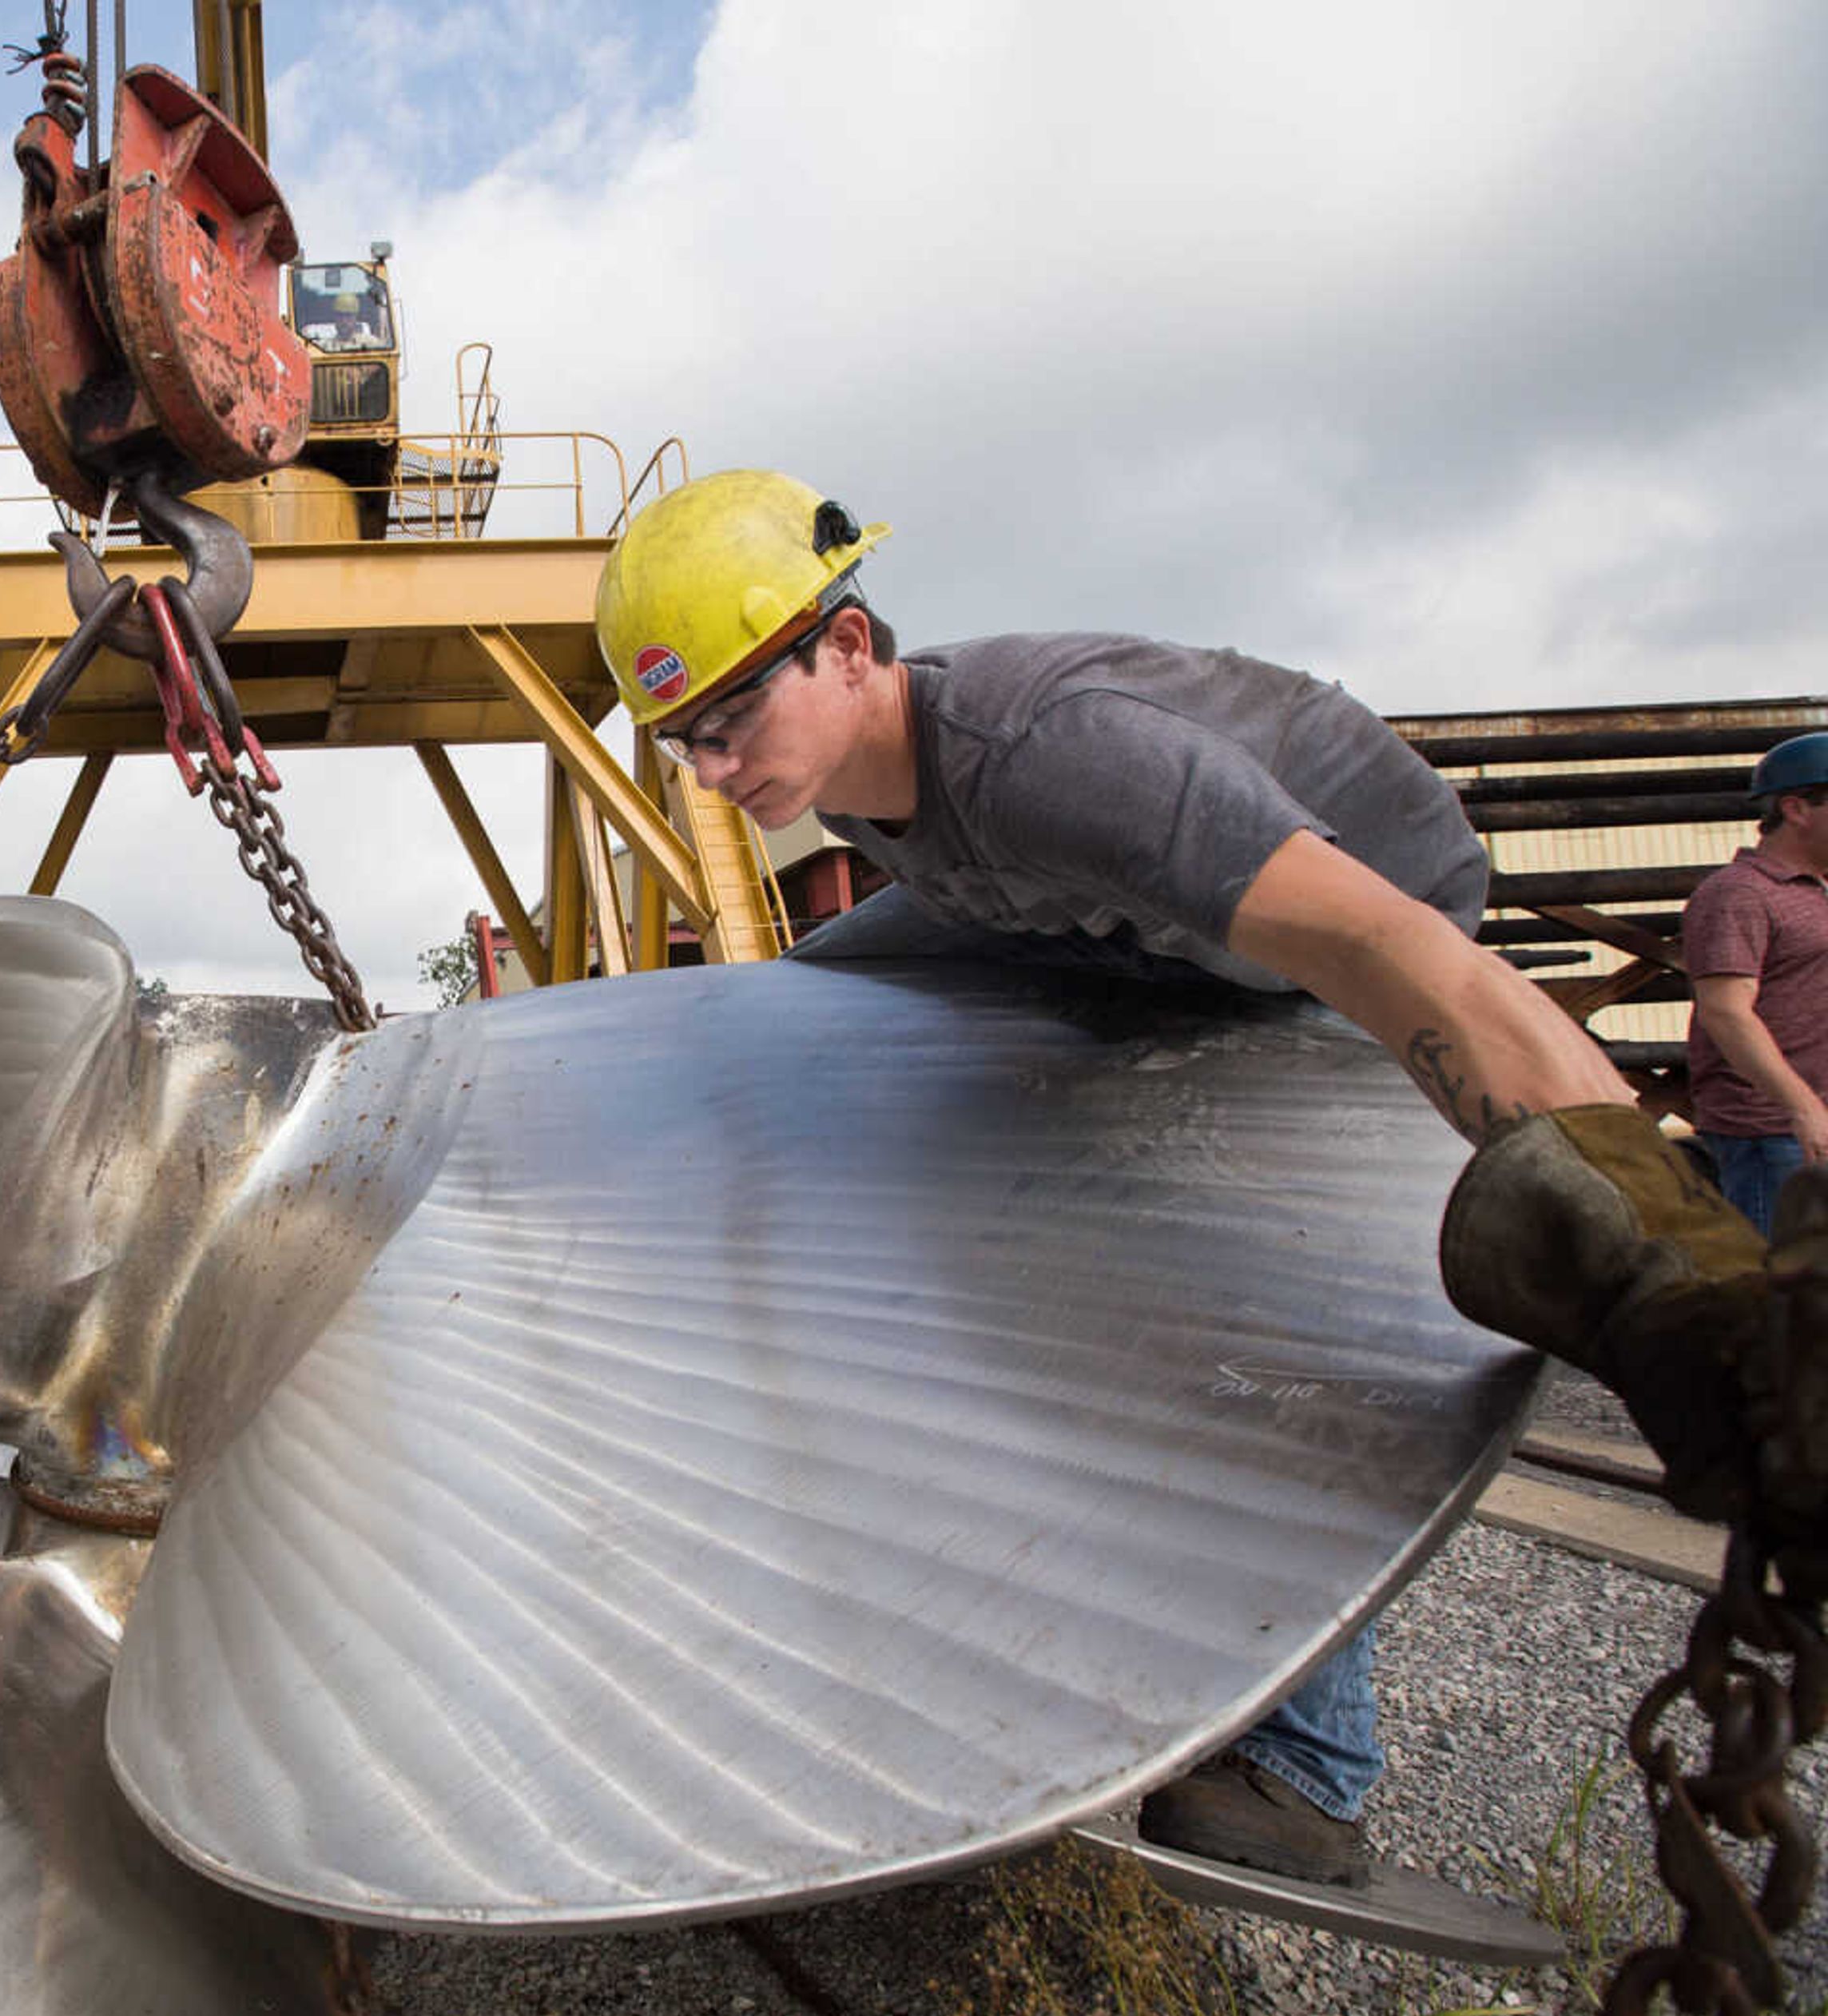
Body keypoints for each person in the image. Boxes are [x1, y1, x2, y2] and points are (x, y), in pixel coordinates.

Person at [596, 468, 1798, 1886]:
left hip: (1329, 920)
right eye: (686, 743)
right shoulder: (860, 783)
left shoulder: (1061, 755)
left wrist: (1668, 1263)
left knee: (1230, 1294)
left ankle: (1310, 1765)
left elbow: (1407, 958)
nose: (715, 773)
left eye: (732, 723)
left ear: (848, 647)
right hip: (1108, 928)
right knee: (781, 1020)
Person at [1683, 734, 1828, 1236]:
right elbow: (1725, 1011)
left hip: (1809, 1128)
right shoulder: (1738, 894)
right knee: (1781, 1289)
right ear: (1797, 809)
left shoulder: (1815, 893)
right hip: (1774, 1134)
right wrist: (1803, 1109)